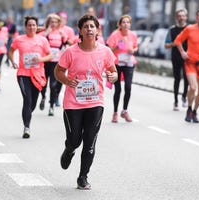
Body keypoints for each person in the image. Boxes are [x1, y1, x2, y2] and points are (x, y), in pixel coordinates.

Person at [54, 14, 117, 190]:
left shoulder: (105, 51)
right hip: (73, 103)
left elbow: (113, 72)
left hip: (95, 102)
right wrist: (66, 81)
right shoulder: (71, 52)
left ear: (97, 30)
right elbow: (58, 71)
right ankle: (69, 149)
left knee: (90, 141)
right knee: (75, 140)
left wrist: (113, 76)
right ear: (80, 31)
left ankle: (83, 177)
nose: (89, 29)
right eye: (86, 26)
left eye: (92, 26)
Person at [8, 16, 52, 138]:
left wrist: (41, 59)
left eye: (34, 25)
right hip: (23, 74)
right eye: (29, 25)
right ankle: (27, 127)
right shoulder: (19, 39)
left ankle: (27, 114)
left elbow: (50, 56)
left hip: (37, 74)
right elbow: (11, 51)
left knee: (32, 103)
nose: (32, 27)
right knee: (27, 100)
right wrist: (13, 61)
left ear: (36, 26)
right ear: (25, 26)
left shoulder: (42, 40)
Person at [106, 15, 138, 123]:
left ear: (130, 24)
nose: (126, 24)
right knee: (118, 89)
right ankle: (115, 113)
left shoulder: (133, 35)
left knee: (128, 87)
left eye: (128, 22)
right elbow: (109, 50)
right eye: (123, 22)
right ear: (120, 24)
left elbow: (135, 46)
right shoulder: (115, 35)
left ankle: (124, 111)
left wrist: (133, 50)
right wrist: (118, 46)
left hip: (129, 63)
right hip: (117, 63)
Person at [38, 13, 68, 116]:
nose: (54, 24)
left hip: (56, 61)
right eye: (52, 22)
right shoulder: (45, 33)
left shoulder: (61, 33)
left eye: (55, 22)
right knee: (44, 83)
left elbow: (66, 44)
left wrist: (65, 39)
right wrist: (46, 33)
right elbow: (41, 43)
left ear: (59, 23)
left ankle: (51, 106)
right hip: (46, 61)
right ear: (48, 23)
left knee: (53, 85)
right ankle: (43, 97)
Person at [165, 8, 189, 111]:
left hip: (187, 57)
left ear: (186, 17)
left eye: (183, 16)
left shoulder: (189, 29)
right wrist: (173, 44)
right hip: (175, 57)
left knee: (187, 77)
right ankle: (175, 100)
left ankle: (184, 96)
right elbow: (166, 45)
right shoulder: (172, 30)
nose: (181, 18)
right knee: (177, 78)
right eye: (179, 16)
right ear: (176, 17)